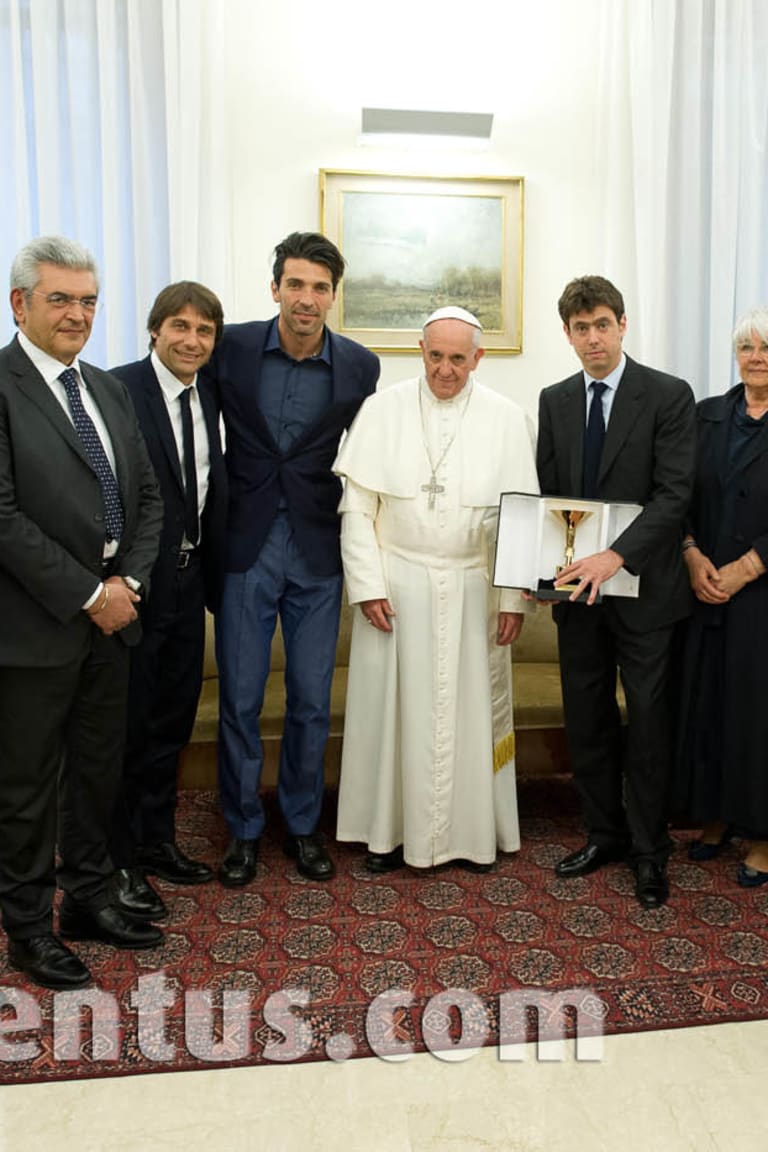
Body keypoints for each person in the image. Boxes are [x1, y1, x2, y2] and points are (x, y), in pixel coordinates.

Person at [0, 236, 164, 990]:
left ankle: (89, 901)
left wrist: (125, 581)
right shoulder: (3, 387)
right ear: (20, 304)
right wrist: (90, 593)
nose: (78, 314)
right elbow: (3, 518)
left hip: (113, 619)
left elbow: (147, 498)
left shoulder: (106, 387)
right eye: (61, 299)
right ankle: (29, 930)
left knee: (97, 774)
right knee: (28, 789)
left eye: (89, 300)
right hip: (35, 628)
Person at [333, 306, 539, 872]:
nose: (444, 370)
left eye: (457, 358)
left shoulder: (507, 419)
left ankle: (472, 837)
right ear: (420, 351)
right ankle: (388, 835)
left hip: (474, 586)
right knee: (392, 715)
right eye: (435, 356)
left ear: (478, 358)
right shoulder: (381, 411)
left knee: (473, 713)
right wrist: (368, 585)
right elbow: (357, 510)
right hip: (397, 588)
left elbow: (520, 521)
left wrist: (512, 599)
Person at [208, 232, 379, 886]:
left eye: (320, 287)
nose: (307, 298)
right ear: (275, 286)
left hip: (317, 549)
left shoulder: (361, 367)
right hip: (245, 544)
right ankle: (243, 828)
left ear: (334, 295)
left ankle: (304, 825)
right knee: (242, 700)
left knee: (311, 700)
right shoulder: (232, 348)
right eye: (296, 284)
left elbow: (364, 458)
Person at [537, 275, 696, 909]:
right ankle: (604, 835)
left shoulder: (667, 395)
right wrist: (544, 572)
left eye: (603, 324)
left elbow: (675, 495)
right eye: (581, 328)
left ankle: (650, 850)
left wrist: (616, 555)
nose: (593, 337)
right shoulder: (553, 400)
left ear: (623, 325)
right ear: (568, 334)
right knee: (588, 718)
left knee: (649, 722)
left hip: (648, 592)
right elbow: (551, 498)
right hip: (580, 595)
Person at [109, 282, 227, 922]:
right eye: (179, 326)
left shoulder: (206, 393)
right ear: (154, 330)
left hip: (188, 583)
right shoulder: (117, 388)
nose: (191, 340)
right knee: (127, 727)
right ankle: (118, 859)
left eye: (204, 330)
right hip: (136, 586)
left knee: (172, 722)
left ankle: (157, 841)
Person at [675, 307, 768, 886]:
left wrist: (749, 566)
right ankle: (715, 816)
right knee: (707, 703)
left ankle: (761, 833)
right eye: (746, 346)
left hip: (761, 593)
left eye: (766, 347)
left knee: (758, 713)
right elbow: (678, 493)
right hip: (703, 586)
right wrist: (690, 554)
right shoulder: (707, 415)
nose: (756, 356)